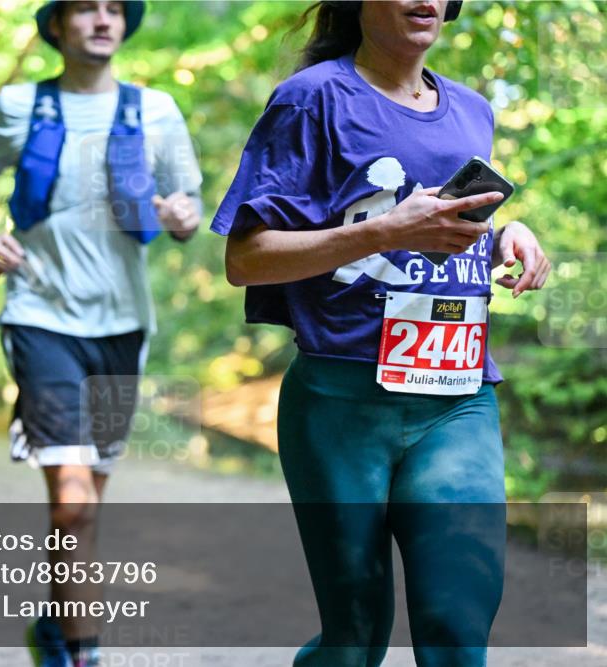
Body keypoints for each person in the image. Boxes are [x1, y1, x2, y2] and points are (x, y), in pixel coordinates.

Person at [212, 1, 551, 666]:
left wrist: (507, 234)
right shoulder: (311, 99)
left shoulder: (473, 110)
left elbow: (442, 231)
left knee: (457, 625)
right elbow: (245, 259)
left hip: (457, 399)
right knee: (355, 636)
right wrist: (384, 231)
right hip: (340, 403)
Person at [0, 1, 202, 664]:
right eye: (86, 7)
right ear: (57, 25)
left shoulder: (156, 111)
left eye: (114, 8)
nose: (102, 19)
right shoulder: (19, 106)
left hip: (123, 327)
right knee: (72, 503)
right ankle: (85, 653)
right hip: (40, 318)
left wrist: (183, 216)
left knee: (89, 502)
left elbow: (188, 204)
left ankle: (57, 627)